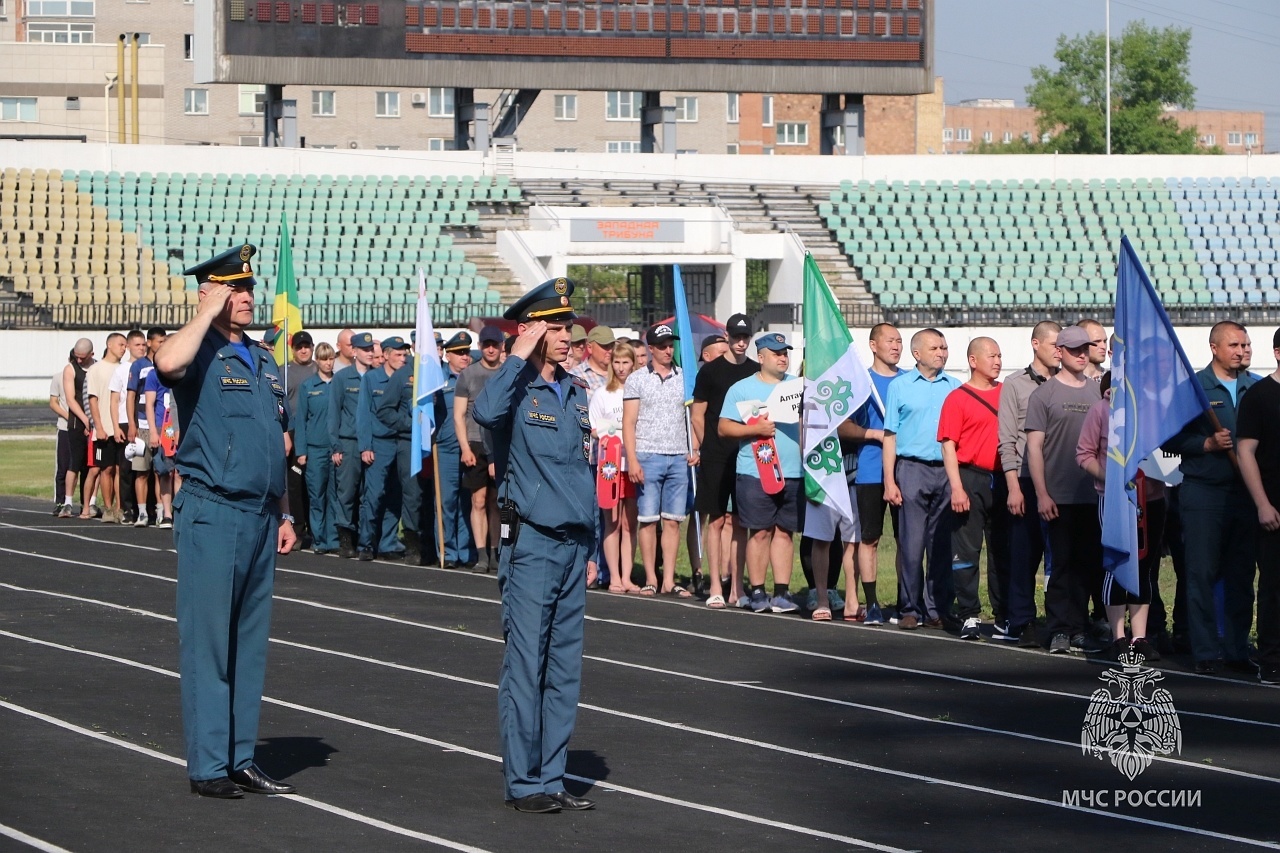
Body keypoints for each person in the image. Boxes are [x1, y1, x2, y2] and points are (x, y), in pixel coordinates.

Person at [154, 244, 297, 799]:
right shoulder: (198, 351)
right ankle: (210, 765)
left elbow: (273, 442)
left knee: (248, 645)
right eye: (233, 289)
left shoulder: (260, 359)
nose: (246, 297)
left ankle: (240, 757)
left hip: (261, 515)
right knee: (210, 643)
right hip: (213, 511)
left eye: (248, 288)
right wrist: (203, 314)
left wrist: (284, 513)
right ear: (210, 293)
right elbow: (167, 364)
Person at [472, 276, 597, 814]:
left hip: (572, 545)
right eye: (555, 326)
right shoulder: (514, 388)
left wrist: (590, 544)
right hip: (532, 545)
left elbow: (580, 469)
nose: (567, 336)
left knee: (564, 668)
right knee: (527, 665)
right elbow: (484, 415)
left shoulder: (574, 391)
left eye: (568, 326)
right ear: (530, 330)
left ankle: (552, 774)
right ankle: (524, 783)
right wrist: (519, 349)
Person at [1161, 320, 1259, 675]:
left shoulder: (1257, 388)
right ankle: (1204, 649)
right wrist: (1204, 444)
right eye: (1234, 345)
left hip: (1246, 495)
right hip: (1204, 493)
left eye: (1246, 345)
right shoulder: (1195, 389)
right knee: (1201, 572)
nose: (1242, 351)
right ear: (1215, 347)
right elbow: (1168, 437)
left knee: (1241, 575)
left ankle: (1236, 647)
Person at [1026, 325, 1104, 655]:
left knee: (1088, 564)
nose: (1082, 354)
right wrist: (1042, 494)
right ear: (1060, 352)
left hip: (1093, 495)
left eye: (1085, 348)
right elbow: (1033, 448)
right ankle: (1058, 627)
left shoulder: (1098, 392)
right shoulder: (1043, 395)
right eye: (1075, 349)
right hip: (1058, 497)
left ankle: (1079, 626)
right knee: (1060, 566)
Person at [1076, 370, 1165, 662]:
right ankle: (1118, 636)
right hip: (1114, 500)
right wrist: (1111, 479)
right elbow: (1084, 454)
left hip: (1152, 498)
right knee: (1117, 563)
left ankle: (1139, 636)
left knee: (1145, 568)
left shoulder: (1153, 410)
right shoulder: (1101, 410)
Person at [883, 328, 961, 630]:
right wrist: (890, 481)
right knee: (911, 543)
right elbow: (890, 436)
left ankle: (937, 608)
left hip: (945, 470)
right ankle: (910, 607)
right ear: (917, 354)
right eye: (934, 348)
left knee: (941, 544)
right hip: (911, 469)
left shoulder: (955, 387)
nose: (941, 352)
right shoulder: (900, 387)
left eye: (943, 347)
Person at [719, 332, 802, 614]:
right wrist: (755, 430)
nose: (783, 357)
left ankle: (781, 592)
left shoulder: (799, 386)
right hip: (756, 472)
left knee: (785, 532)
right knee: (760, 532)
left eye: (785, 353)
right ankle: (757, 590)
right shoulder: (741, 389)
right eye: (777, 353)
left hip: (793, 472)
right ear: (761, 357)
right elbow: (724, 428)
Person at [937, 337, 1008, 641]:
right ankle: (969, 613)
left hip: (1004, 479)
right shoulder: (958, 398)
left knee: (1002, 550)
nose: (997, 361)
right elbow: (948, 446)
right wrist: (956, 487)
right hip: (969, 477)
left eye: (1000, 355)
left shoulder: (1008, 393)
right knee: (966, 551)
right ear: (973, 360)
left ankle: (1004, 613)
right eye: (991, 355)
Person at [997, 320, 1061, 647]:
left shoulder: (1071, 384)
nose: (1060, 352)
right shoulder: (1015, 384)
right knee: (1024, 556)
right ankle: (1021, 621)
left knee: (1061, 558)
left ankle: (1059, 621)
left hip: (1062, 482)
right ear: (1036, 344)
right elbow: (1007, 440)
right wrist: (1012, 487)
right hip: (1024, 478)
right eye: (1054, 345)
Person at [624, 322, 696, 597]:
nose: (668, 350)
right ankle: (651, 578)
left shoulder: (685, 377)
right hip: (648, 454)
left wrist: (695, 447)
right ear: (650, 349)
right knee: (649, 519)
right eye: (663, 346)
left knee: (673, 521)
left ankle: (668, 579)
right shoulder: (637, 379)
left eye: (671, 345)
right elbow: (629, 423)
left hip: (678, 455)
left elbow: (693, 418)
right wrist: (632, 459)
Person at [691, 313, 758, 608]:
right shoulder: (710, 371)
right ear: (728, 337)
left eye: (745, 337)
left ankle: (737, 587)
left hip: (747, 455)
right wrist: (707, 447)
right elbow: (698, 413)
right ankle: (715, 584)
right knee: (716, 519)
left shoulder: (756, 371)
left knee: (740, 521)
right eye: (736, 337)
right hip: (716, 455)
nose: (741, 342)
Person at [848, 323, 907, 623]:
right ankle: (871, 603)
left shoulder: (910, 381)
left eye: (899, 340)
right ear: (873, 345)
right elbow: (844, 426)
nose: (896, 346)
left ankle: (904, 601)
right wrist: (874, 434)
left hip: (906, 472)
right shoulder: (862, 382)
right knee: (869, 538)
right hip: (870, 471)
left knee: (905, 540)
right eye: (889, 341)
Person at [1236, 327, 1280, 685]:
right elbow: (1245, 452)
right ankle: (1271, 658)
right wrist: (1263, 503)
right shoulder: (1260, 396)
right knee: (1274, 587)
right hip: (1274, 508)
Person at [589, 340, 642, 593]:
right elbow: (593, 427)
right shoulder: (603, 393)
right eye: (617, 362)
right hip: (609, 464)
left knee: (630, 523)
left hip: (633, 463)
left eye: (626, 362)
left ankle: (628, 575)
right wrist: (612, 432)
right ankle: (614, 577)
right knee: (612, 521)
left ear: (633, 364)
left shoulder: (639, 391)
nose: (621, 368)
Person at [356, 335, 410, 561]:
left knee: (396, 495)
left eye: (405, 354)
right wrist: (365, 445)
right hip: (379, 443)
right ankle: (366, 542)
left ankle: (388, 542)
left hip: (402, 441)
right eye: (398, 354)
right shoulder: (372, 378)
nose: (403, 358)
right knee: (374, 494)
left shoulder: (409, 378)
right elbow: (364, 413)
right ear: (386, 355)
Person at [456, 326, 505, 572]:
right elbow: (459, 414)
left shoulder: (508, 373)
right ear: (480, 347)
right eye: (486, 344)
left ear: (501, 346)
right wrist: (464, 447)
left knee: (497, 501)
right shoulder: (468, 375)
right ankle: (481, 554)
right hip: (475, 443)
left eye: (495, 344)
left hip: (500, 444)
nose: (490, 349)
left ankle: (495, 551)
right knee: (478, 500)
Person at [329, 332, 376, 558]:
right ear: (354, 351)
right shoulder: (342, 378)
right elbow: (334, 414)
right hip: (348, 443)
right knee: (346, 493)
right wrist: (335, 446)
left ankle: (366, 539)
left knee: (369, 494)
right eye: (364, 350)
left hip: (374, 443)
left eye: (371, 349)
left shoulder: (378, 377)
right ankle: (345, 538)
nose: (369, 353)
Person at [437, 329, 479, 569]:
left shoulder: (472, 377)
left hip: (472, 445)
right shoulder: (438, 378)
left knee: (468, 500)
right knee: (447, 501)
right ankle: (448, 551)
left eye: (467, 352)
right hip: (446, 446)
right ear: (448, 355)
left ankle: (465, 550)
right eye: (459, 353)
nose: (465, 357)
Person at [295, 343, 339, 554]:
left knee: (335, 495)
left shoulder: (339, 383)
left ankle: (333, 537)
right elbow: (301, 420)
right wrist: (301, 451)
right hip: (315, 448)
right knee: (317, 495)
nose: (328, 363)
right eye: (324, 359)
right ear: (317, 361)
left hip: (336, 449)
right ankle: (319, 538)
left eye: (331, 358)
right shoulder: (308, 386)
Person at [127, 327, 166, 526]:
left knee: (161, 471)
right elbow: (131, 396)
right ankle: (141, 512)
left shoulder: (166, 363)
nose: (163, 345)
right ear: (150, 343)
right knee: (142, 471)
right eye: (160, 341)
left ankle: (161, 510)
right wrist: (131, 423)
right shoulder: (139, 366)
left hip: (162, 425)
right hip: (142, 424)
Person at [86, 332, 126, 522]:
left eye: (125, 345)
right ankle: (108, 507)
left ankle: (119, 508)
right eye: (120, 344)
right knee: (106, 468)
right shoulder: (96, 369)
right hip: (104, 428)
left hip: (121, 426)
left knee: (120, 468)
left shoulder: (125, 368)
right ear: (109, 345)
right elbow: (93, 400)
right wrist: (98, 426)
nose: (123, 348)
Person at [111, 331, 145, 525]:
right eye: (137, 345)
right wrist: (116, 426)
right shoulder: (121, 370)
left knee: (144, 469)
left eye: (143, 345)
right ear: (129, 347)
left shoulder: (150, 366)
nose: (141, 348)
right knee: (125, 469)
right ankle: (126, 508)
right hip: (125, 421)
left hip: (144, 421)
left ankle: (145, 508)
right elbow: (114, 400)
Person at [61, 339, 95, 518]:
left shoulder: (97, 367)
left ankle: (89, 503)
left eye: (83, 357)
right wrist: (85, 419)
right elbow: (70, 399)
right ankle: (67, 502)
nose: (79, 361)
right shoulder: (71, 369)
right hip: (77, 421)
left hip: (95, 421)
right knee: (75, 463)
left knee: (91, 466)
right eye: (77, 357)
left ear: (92, 354)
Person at [142, 358, 176, 528]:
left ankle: (180, 512)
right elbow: (149, 404)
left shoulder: (185, 373)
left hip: (180, 425)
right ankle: (167, 514)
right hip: (162, 426)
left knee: (181, 473)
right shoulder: (154, 375)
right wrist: (153, 432)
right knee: (165, 472)